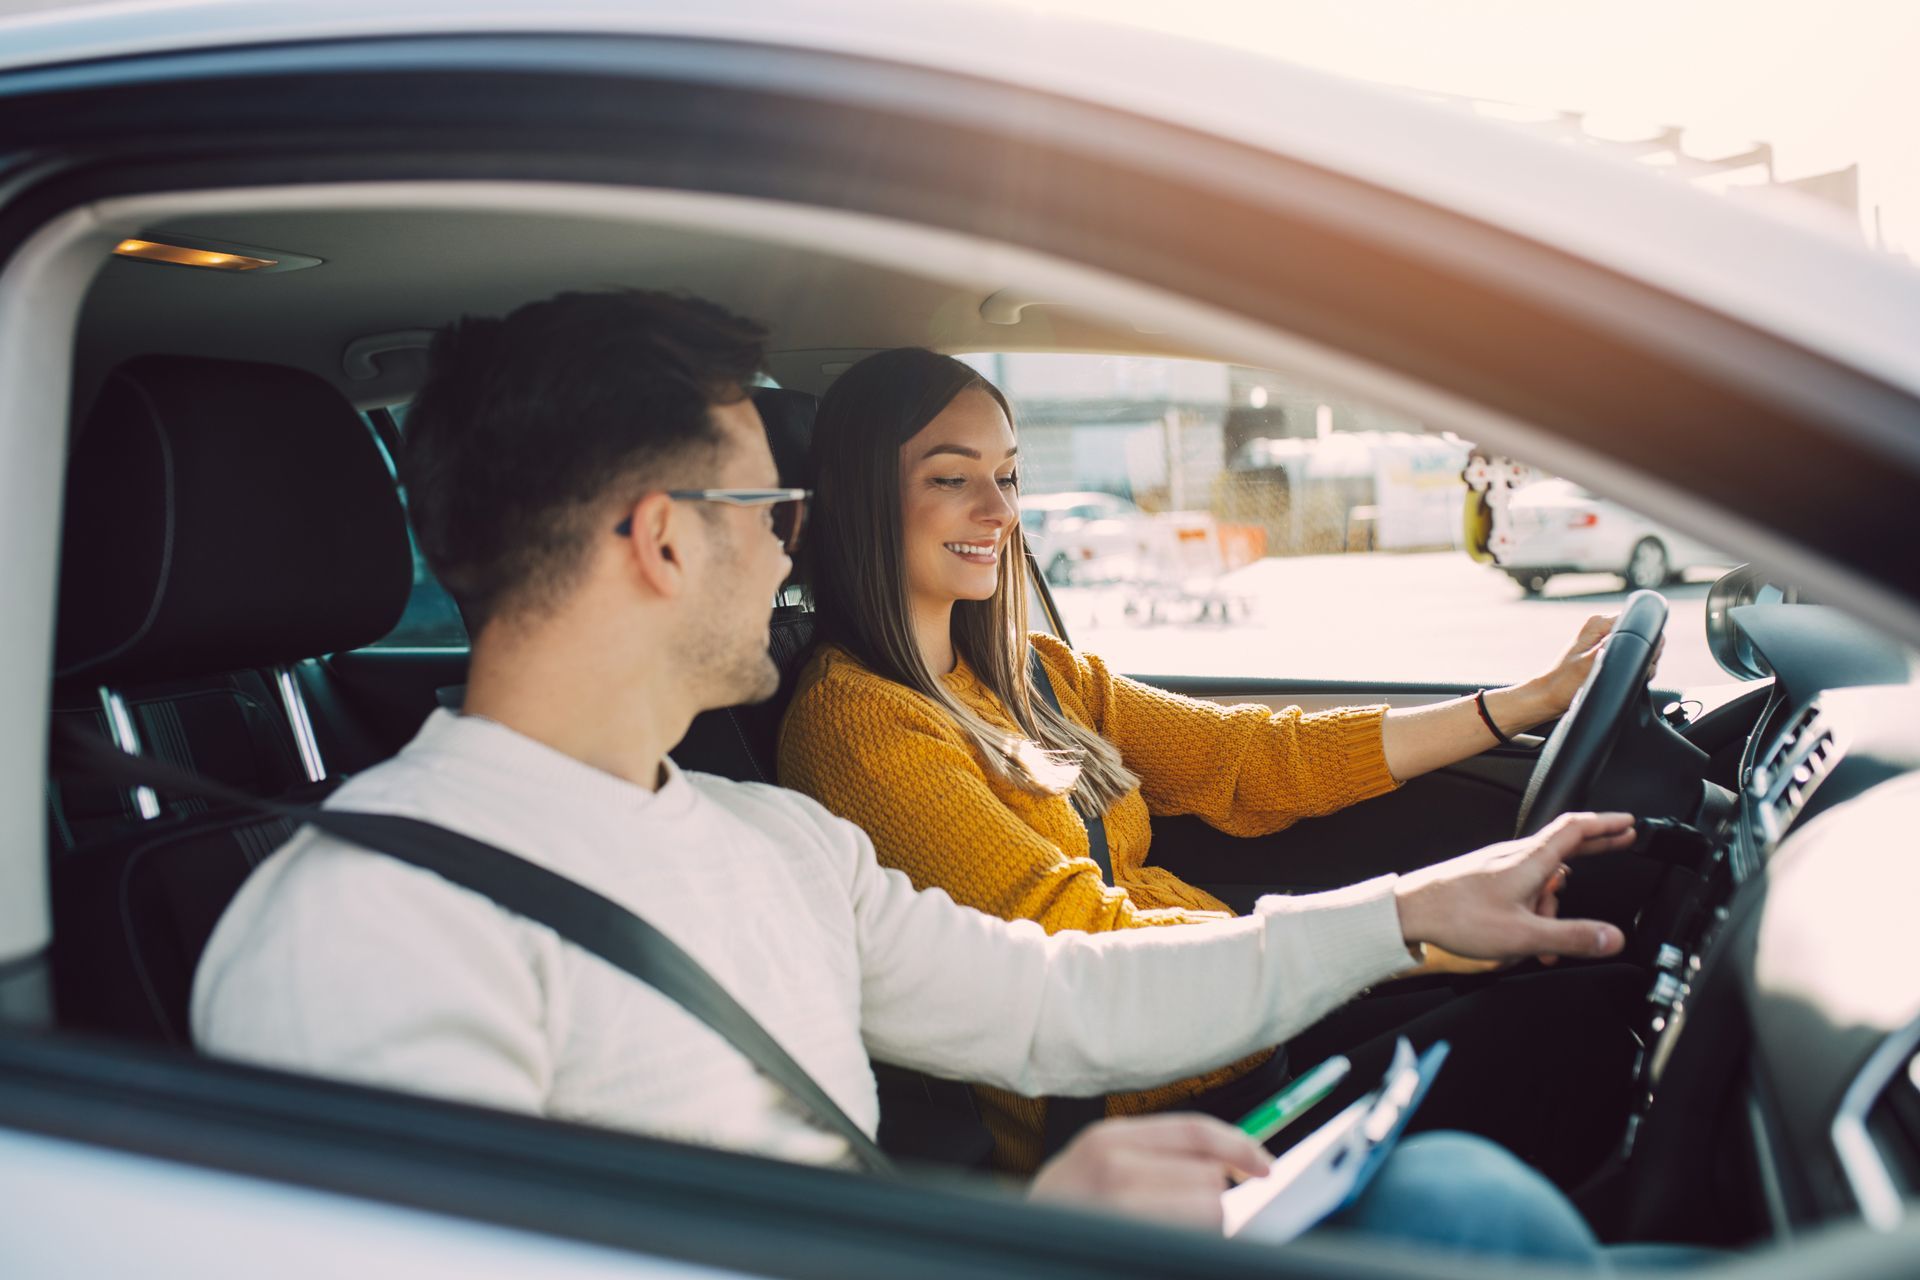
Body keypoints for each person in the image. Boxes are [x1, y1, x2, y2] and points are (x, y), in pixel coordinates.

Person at [190, 289, 1634, 1263]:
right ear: (662, 538)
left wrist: (1409, 913)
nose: (792, 547)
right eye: (772, 508)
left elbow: (1058, 997)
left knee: (1458, 1205)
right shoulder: (358, 935)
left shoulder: (770, 844)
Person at [778, 347, 1645, 1182]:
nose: (1001, 511)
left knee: (1592, 997)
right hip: (1135, 1126)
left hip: (1230, 1042)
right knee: (1573, 1031)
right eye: (951, 477)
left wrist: (1522, 704)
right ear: (864, 499)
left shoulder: (1037, 673)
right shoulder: (860, 725)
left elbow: (1254, 759)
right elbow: (1078, 956)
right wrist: (1400, 937)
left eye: (1007, 475)